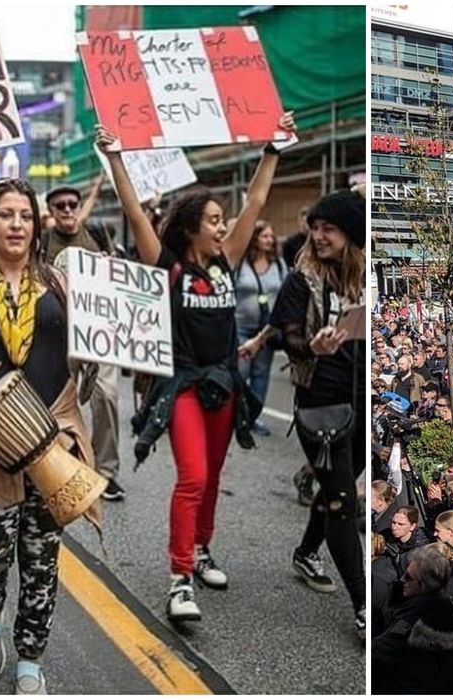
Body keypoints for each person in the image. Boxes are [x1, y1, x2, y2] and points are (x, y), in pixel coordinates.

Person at [0, 167, 101, 692]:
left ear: (37, 225)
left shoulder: (60, 282)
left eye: (26, 216)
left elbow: (91, 339)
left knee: (41, 556)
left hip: (53, 437)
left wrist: (98, 349)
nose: (16, 224)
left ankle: (30, 656)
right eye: (6, 214)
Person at [127, 115, 293, 621]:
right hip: (181, 385)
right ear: (191, 226)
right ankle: (179, 579)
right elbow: (135, 213)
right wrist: (115, 157)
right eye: (215, 220)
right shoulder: (169, 264)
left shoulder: (227, 260)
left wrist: (273, 147)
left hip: (224, 385)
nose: (224, 226)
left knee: (214, 475)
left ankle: (202, 550)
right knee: (193, 476)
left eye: (225, 220)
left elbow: (257, 203)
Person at [259, 187, 365, 633]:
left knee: (337, 487)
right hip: (321, 403)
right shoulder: (301, 278)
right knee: (342, 502)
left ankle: (305, 552)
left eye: (330, 228)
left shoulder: (363, 278)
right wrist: (312, 346)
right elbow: (282, 333)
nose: (319, 236)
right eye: (315, 228)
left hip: (362, 401)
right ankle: (363, 606)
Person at [43, 172, 123, 500]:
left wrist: (111, 265)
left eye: (72, 204)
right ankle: (60, 465)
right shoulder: (41, 242)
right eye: (59, 205)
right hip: (59, 333)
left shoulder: (95, 233)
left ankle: (106, 472)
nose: (67, 209)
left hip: (97, 330)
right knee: (59, 402)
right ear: (50, 210)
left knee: (107, 396)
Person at [372, 546, 453, 694]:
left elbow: (376, 653)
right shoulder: (450, 608)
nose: (402, 579)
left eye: (408, 577)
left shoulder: (414, 623)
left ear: (426, 583)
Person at [233, 220, 287, 436]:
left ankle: (252, 417)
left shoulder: (279, 264)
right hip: (240, 326)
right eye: (264, 236)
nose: (269, 240)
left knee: (261, 374)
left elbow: (284, 293)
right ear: (254, 238)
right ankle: (236, 414)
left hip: (267, 330)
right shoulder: (241, 263)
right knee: (241, 371)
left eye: (271, 236)